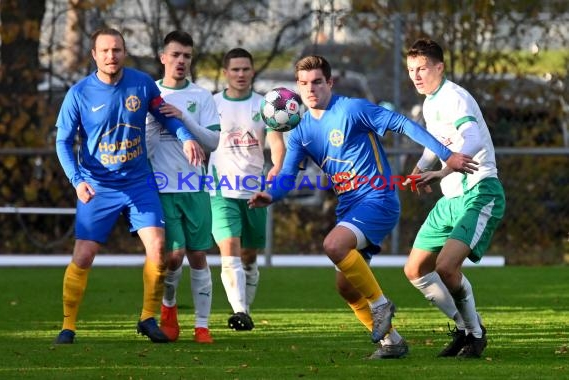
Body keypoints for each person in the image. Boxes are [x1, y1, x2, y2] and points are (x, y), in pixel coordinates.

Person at [247, 55, 478, 359]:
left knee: (333, 244)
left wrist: (446, 156)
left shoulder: (352, 109)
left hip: (378, 199)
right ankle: (392, 343)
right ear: (297, 89)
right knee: (346, 287)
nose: (311, 89)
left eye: (317, 81)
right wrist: (270, 196)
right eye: (303, 83)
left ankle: (381, 304)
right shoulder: (301, 132)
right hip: (350, 207)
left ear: (329, 82)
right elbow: (287, 177)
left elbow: (402, 123)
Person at [54, 28, 205, 344]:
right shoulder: (79, 94)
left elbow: (166, 116)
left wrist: (187, 137)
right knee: (84, 255)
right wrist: (77, 181)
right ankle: (68, 326)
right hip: (98, 185)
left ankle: (147, 319)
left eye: (117, 50)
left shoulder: (142, 83)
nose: (112, 56)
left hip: (139, 182)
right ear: (94, 55)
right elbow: (63, 142)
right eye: (105, 51)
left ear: (124, 52)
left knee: (159, 249)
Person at [403, 38, 505, 358]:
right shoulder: (431, 101)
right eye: (410, 70)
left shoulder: (455, 98)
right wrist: (420, 170)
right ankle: (465, 327)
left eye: (421, 69)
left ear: (439, 67)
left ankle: (475, 336)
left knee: (447, 267)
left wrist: (442, 173)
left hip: (479, 191)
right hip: (450, 199)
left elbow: (471, 138)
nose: (416, 76)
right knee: (416, 270)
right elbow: (436, 143)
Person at [145, 31, 220, 344]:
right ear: (163, 58)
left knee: (199, 255)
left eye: (186, 56)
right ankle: (169, 308)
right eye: (175, 55)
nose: (181, 61)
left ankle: (202, 325)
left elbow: (213, 141)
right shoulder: (148, 94)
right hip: (162, 188)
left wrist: (184, 117)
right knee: (173, 256)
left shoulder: (201, 97)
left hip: (194, 187)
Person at [208, 48, 286, 330]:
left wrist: (277, 165)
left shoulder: (266, 106)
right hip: (220, 188)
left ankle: (245, 307)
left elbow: (276, 142)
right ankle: (240, 311)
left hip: (254, 191)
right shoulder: (212, 103)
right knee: (229, 250)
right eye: (235, 69)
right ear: (226, 73)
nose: (240, 74)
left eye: (245, 69)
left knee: (249, 257)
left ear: (252, 71)